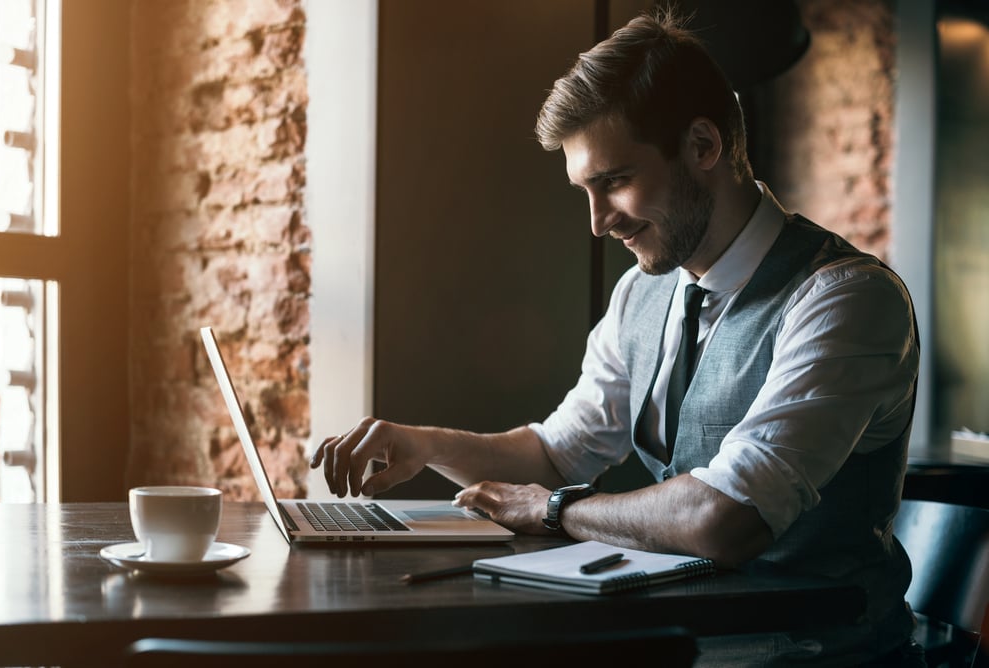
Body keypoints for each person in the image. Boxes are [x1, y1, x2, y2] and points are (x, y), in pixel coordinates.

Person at [311, 8, 922, 667]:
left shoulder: (845, 299)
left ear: (703, 146)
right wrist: (425, 444)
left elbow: (725, 518)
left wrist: (555, 511)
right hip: (683, 646)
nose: (599, 223)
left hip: (825, 655)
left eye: (615, 182)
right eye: (585, 191)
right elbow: (554, 455)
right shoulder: (642, 291)